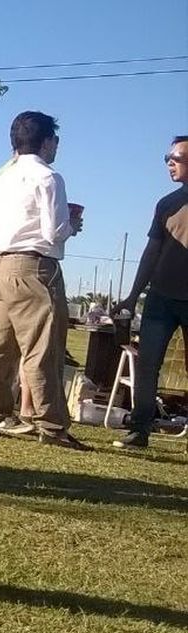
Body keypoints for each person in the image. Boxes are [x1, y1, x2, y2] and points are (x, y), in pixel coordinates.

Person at [0, 111, 86, 449]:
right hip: (34, 266)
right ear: (47, 141)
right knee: (42, 346)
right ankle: (52, 426)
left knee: (0, 344)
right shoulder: (49, 177)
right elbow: (53, 232)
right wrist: (73, 225)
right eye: (55, 141)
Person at [112, 135, 188, 448]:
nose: (170, 162)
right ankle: (140, 429)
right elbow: (151, 252)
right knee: (146, 364)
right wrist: (132, 295)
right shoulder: (166, 204)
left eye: (177, 157)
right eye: (167, 157)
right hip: (159, 298)